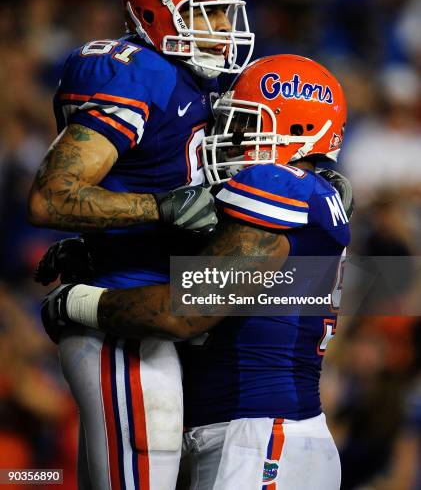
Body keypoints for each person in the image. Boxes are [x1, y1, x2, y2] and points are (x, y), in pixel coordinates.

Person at [40, 54, 351, 489]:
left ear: (298, 128)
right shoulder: (312, 195)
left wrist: (77, 302)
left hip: (261, 439)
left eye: (246, 123)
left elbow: (183, 310)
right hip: (267, 435)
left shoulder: (278, 186)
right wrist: (102, 252)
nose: (230, 136)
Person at [28, 0, 254, 490]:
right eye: (210, 12)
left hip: (174, 313)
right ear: (158, 12)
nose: (225, 28)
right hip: (132, 315)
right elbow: (51, 195)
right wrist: (155, 210)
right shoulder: (142, 74)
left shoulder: (205, 83)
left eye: (227, 11)